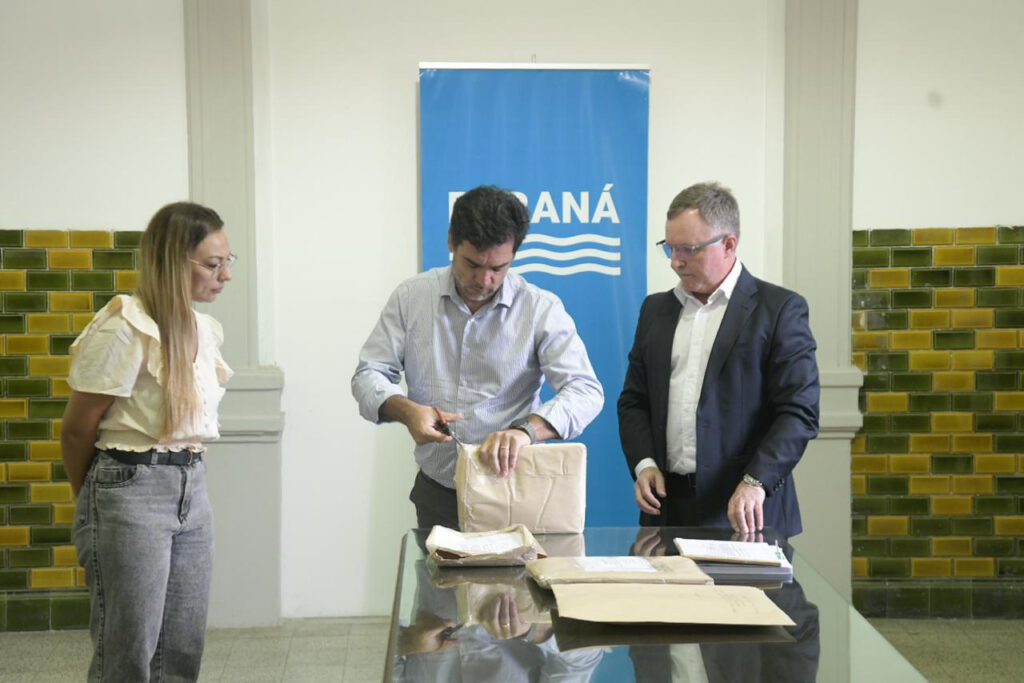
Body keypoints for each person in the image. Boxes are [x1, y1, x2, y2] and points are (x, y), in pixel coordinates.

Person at [352, 185, 604, 529]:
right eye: (472, 264)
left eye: (498, 268)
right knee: (434, 568)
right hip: (438, 493)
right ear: (451, 242)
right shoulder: (411, 297)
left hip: (514, 491)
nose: (484, 280)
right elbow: (369, 373)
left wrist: (526, 431)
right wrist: (408, 411)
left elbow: (586, 391)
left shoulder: (540, 308)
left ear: (514, 254)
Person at [61, 202, 235, 682]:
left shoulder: (203, 329)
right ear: (174, 261)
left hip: (192, 486)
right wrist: (93, 499)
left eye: (228, 262)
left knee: (181, 647)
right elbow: (77, 428)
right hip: (129, 485)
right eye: (213, 264)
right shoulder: (126, 326)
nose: (225, 276)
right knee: (129, 650)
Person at [618, 182, 819, 536]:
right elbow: (634, 401)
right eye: (670, 248)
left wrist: (756, 481)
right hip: (667, 510)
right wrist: (644, 463)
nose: (676, 261)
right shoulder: (655, 310)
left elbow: (799, 411)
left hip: (747, 510)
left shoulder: (779, 310)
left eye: (689, 249)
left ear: (729, 244)